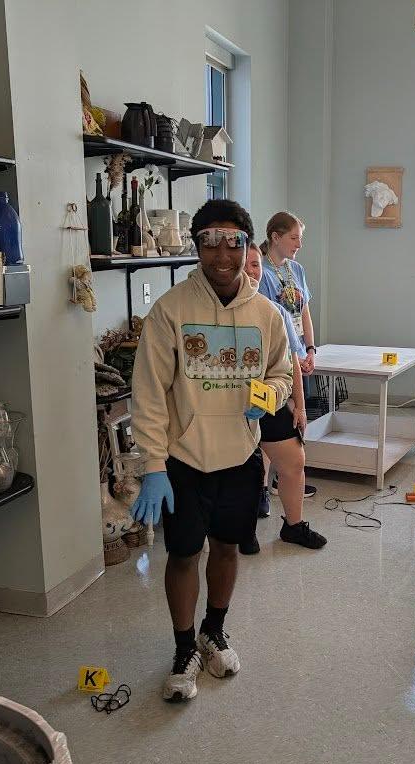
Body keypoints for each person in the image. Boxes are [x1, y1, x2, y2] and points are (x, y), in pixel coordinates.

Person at [129, 199, 293, 703]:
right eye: (210, 241)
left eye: (233, 241)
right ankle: (183, 649)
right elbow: (150, 393)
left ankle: (213, 630)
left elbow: (282, 373)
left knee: (226, 548)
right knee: (183, 555)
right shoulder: (171, 311)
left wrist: (267, 397)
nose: (222, 253)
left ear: (247, 248)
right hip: (184, 463)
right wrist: (153, 465)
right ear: (197, 245)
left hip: (241, 459)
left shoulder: (266, 315)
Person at [240, 242, 327, 554]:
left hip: (268, 399)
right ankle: (244, 529)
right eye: (244, 265)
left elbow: (291, 361)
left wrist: (300, 407)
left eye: (254, 265)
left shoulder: (274, 312)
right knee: (246, 470)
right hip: (228, 406)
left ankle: (293, 526)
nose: (250, 271)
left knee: (294, 461)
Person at [258, 211, 318, 509]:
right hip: (278, 357)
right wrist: (295, 354)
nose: (299, 244)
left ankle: (286, 479)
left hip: (298, 353)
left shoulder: (297, 270)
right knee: (275, 424)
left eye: (300, 238)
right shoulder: (261, 273)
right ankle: (264, 490)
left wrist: (310, 348)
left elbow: (303, 310)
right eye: (294, 238)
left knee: (292, 419)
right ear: (275, 237)